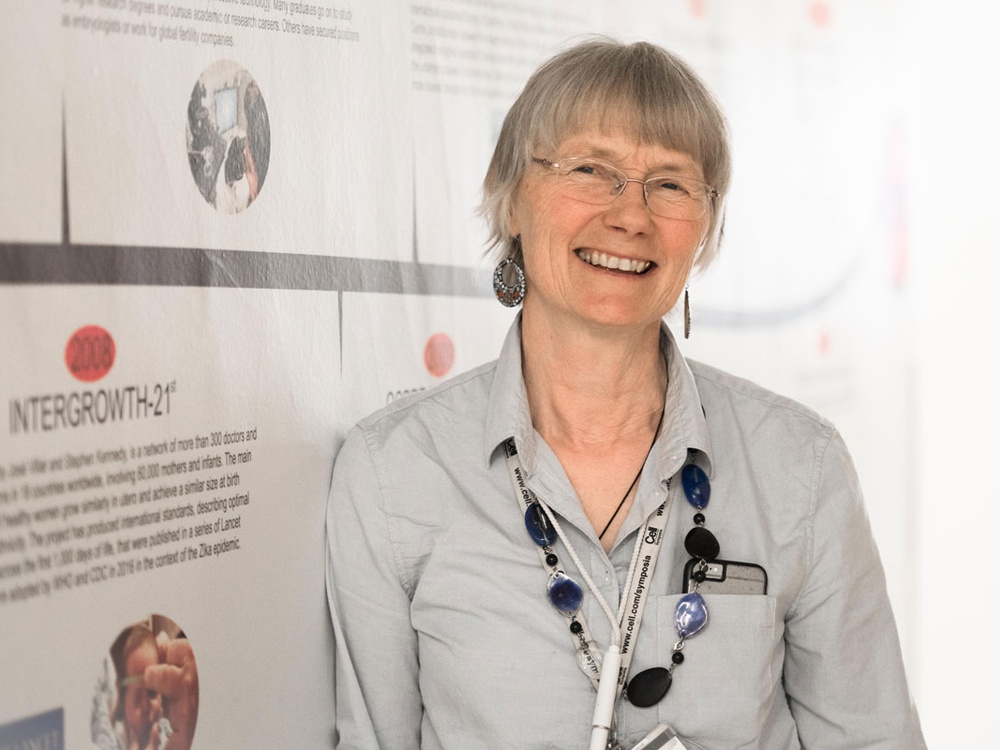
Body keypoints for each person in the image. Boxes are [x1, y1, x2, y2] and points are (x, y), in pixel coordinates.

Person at [325, 39, 926, 749]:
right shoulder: (392, 475)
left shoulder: (804, 466)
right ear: (513, 197)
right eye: (591, 170)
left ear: (704, 228)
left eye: (670, 184)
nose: (630, 216)